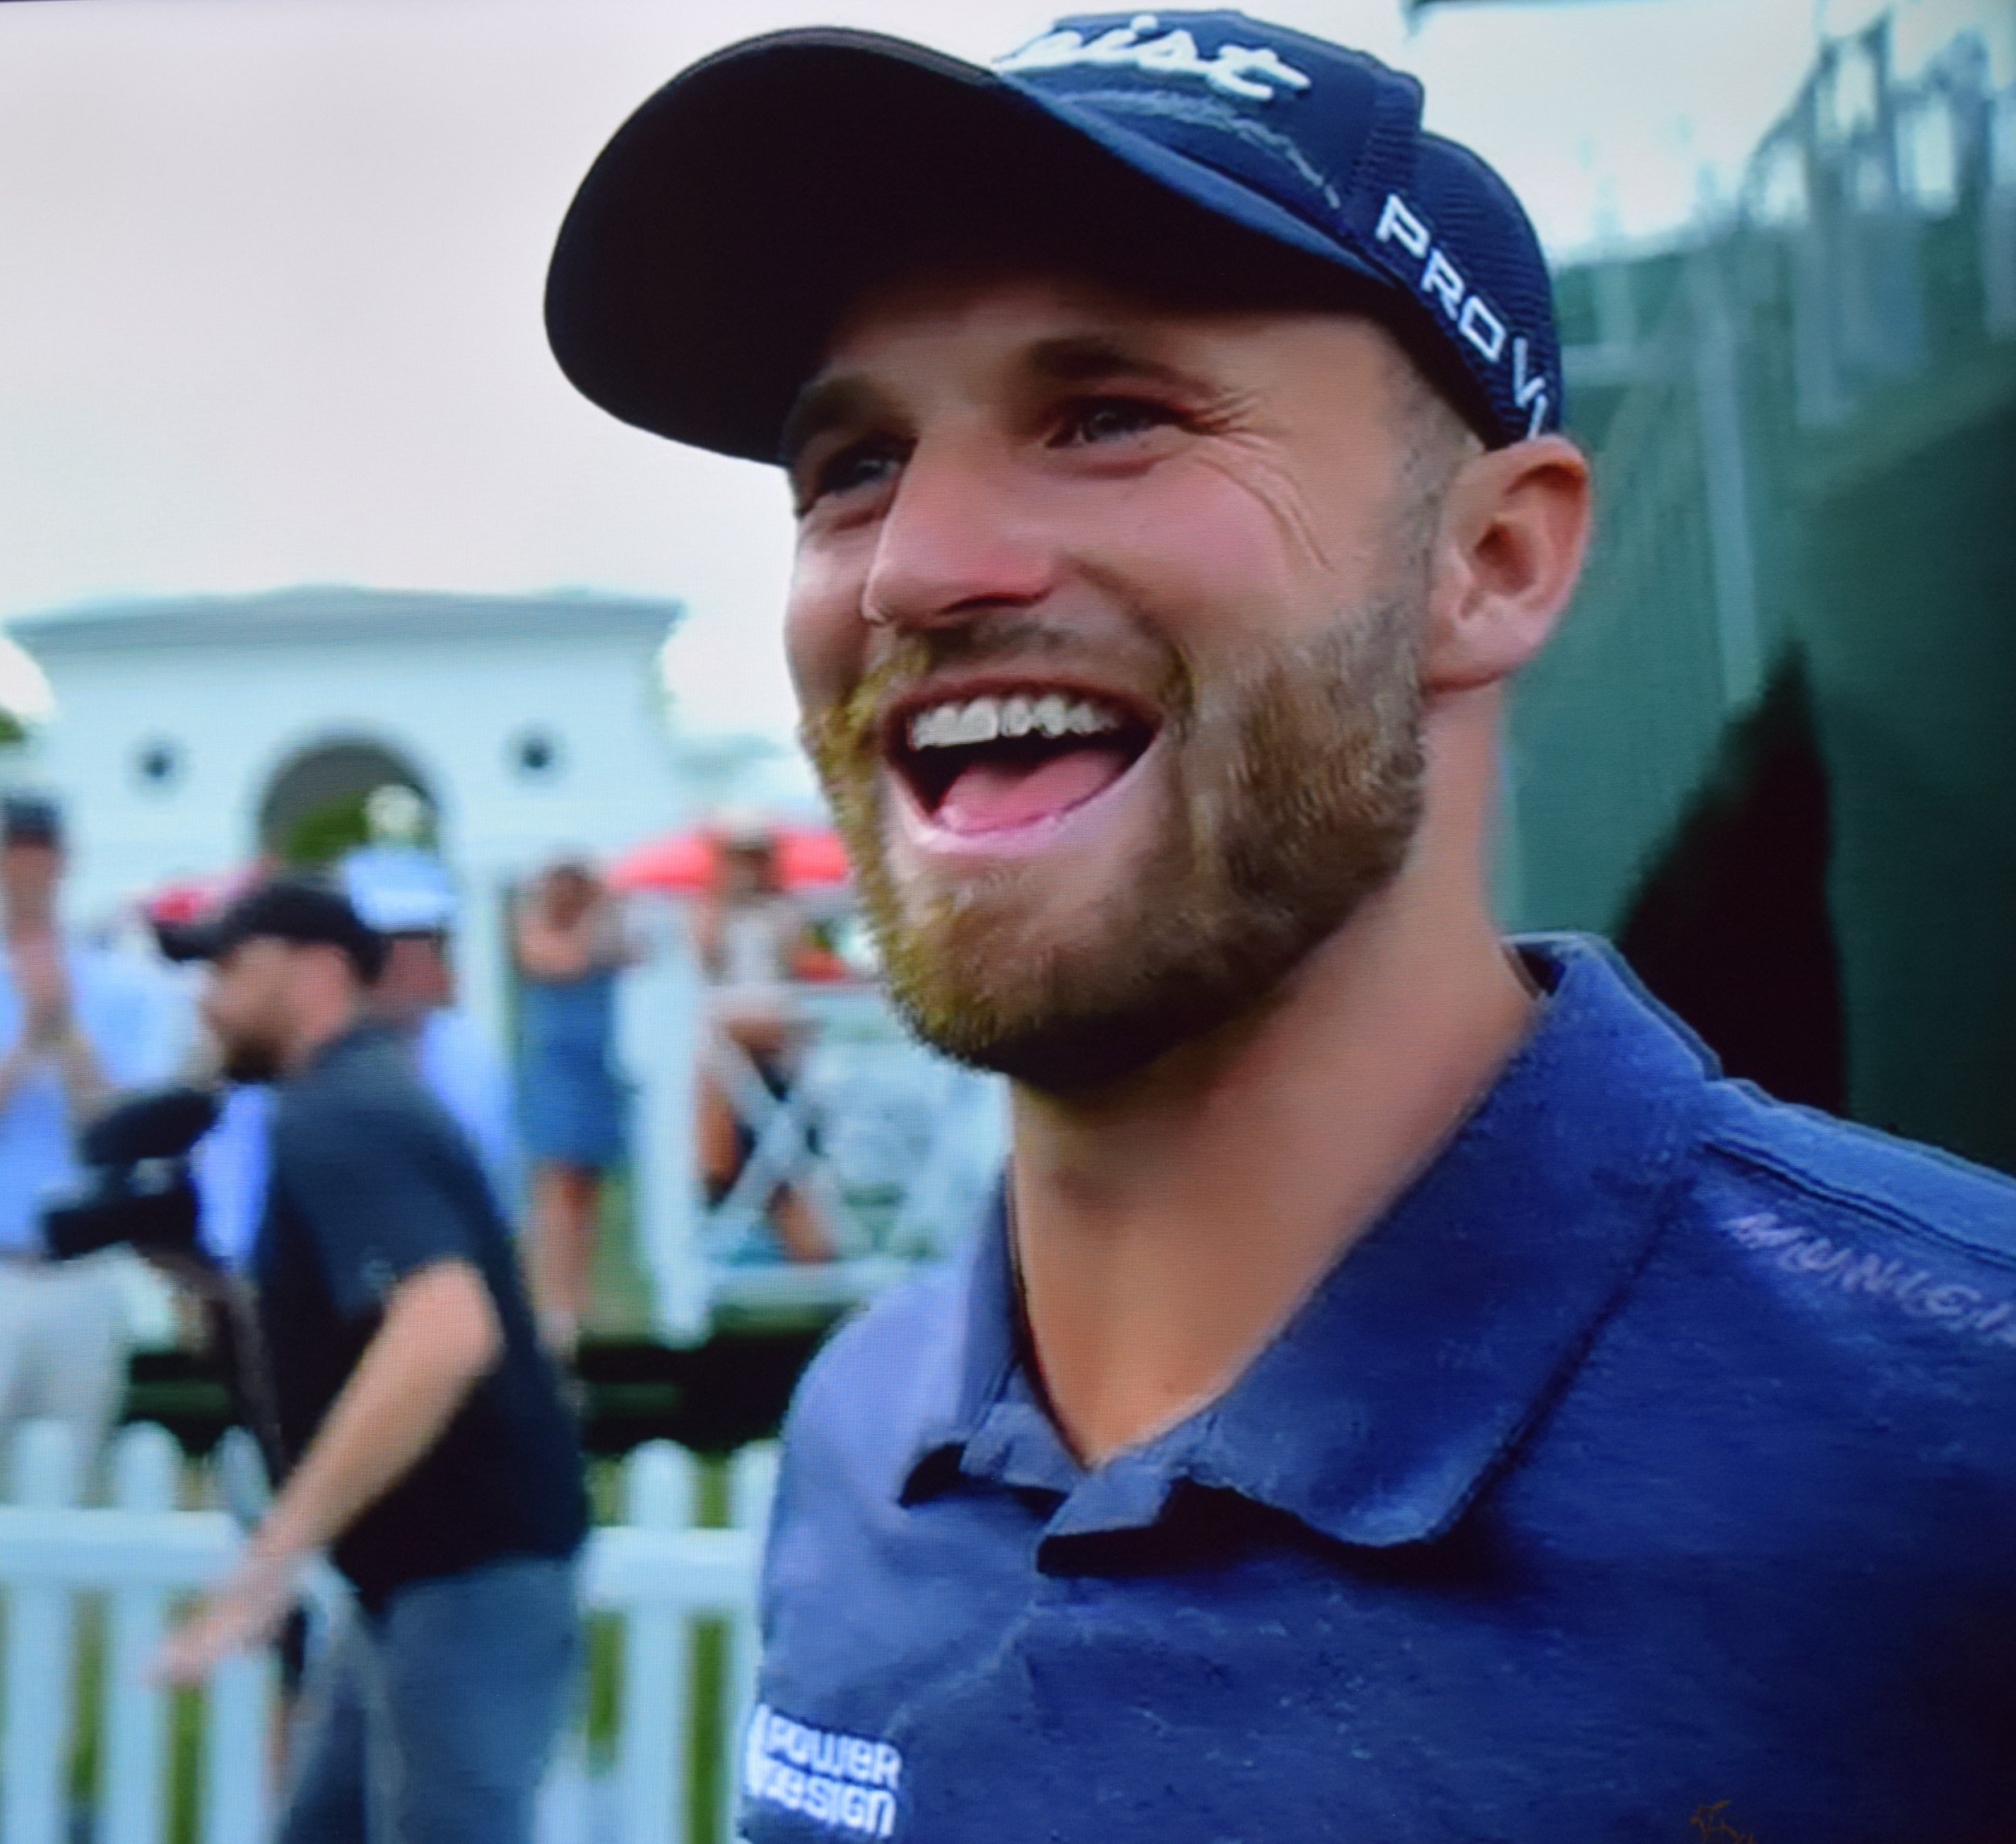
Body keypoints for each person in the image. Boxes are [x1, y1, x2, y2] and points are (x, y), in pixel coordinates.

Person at [544, 13, 2016, 1840]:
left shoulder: (1953, 1443)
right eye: (852, 464)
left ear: (1490, 562)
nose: (918, 563)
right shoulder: (864, 1433)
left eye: (1109, 417)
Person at [158, 881, 586, 1844]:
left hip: (466, 1574)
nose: (208, 1000)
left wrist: (273, 1557)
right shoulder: (354, 1098)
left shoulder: (341, 1113)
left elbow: (445, 1330)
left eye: (229, 970)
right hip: (416, 1575)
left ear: (315, 971)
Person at [0, 795, 183, 1489]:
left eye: (39, 851)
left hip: (82, 1270)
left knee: (69, 1477)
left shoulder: (120, 987)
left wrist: (65, 1029)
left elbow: (122, 1135)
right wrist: (26, 1040)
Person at [694, 814, 836, 1264]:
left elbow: (800, 964)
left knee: (787, 1169)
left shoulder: (786, 912)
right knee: (743, 1148)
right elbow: (706, 954)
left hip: (774, 1055)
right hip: (732, 1060)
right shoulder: (710, 912)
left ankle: (810, 1259)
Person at [512, 857, 630, 1353]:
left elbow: (633, 953)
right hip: (557, 1074)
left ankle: (577, 1299)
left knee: (588, 1193)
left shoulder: (604, 929)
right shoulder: (534, 929)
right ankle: (548, 1305)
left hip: (599, 1069)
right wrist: (595, 918)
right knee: (555, 1194)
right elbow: (566, 961)